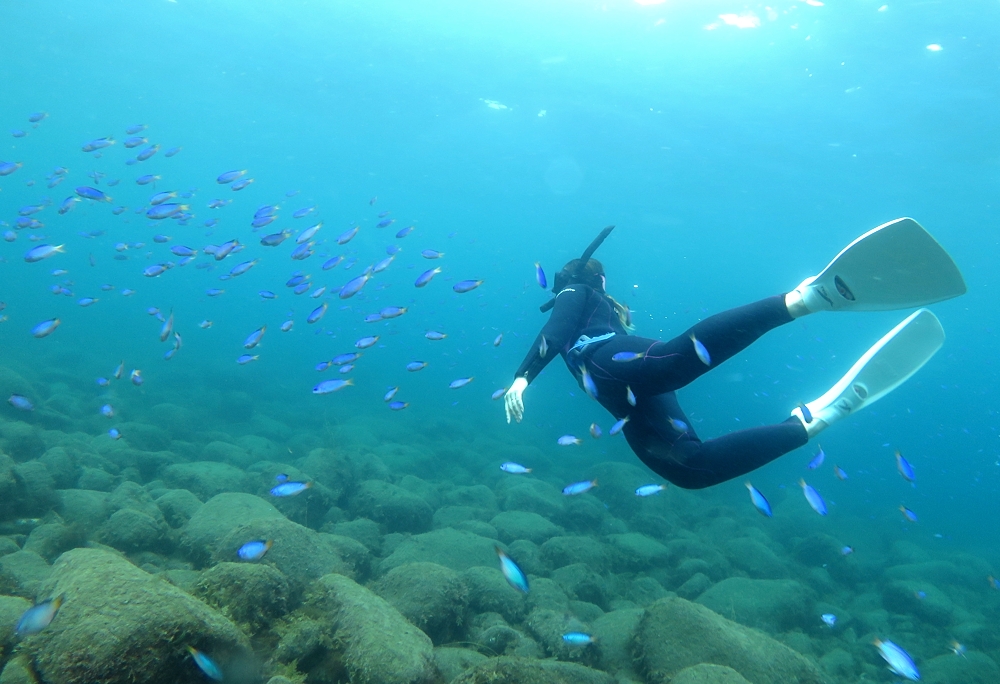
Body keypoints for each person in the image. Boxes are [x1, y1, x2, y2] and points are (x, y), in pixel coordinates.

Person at [504, 220, 965, 489]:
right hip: (624, 393)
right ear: (603, 280)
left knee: (673, 363)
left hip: (609, 364)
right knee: (691, 468)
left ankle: (807, 299)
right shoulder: (599, 295)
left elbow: (558, 328)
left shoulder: (574, 291)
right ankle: (812, 421)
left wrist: (524, 376)